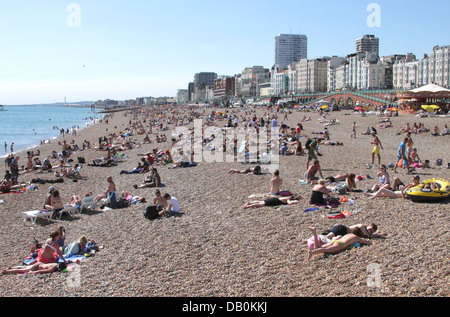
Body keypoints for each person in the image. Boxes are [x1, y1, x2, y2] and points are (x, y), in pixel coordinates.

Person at [306, 229, 372, 261]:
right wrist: (370, 242)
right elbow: (366, 242)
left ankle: (314, 234)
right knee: (326, 250)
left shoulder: (348, 234)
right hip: (341, 244)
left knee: (320, 247)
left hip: (336, 241)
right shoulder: (356, 237)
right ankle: (312, 252)